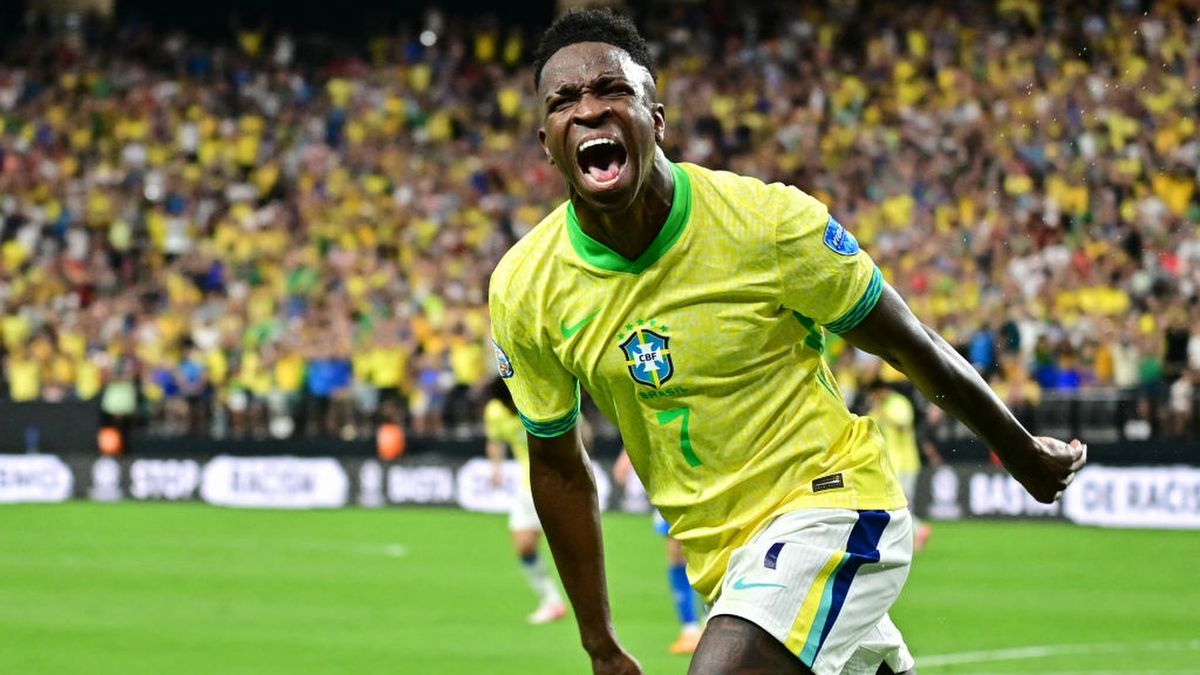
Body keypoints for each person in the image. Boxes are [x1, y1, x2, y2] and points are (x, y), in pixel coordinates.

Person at [487, 9, 1086, 675]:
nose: (589, 110)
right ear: (546, 142)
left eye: (612, 90)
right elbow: (558, 466)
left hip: (833, 502)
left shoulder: (765, 223)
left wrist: (1019, 449)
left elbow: (906, 341)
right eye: (564, 101)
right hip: (728, 566)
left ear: (656, 119)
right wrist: (599, 644)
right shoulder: (526, 287)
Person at [483, 378, 567, 625]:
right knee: (524, 546)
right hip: (528, 485)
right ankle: (551, 601)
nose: (507, 410)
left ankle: (587, 606)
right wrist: (496, 469)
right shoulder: (495, 411)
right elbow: (495, 440)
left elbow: (579, 430)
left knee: (568, 548)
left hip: (558, 483)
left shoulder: (539, 399)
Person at [613, 449, 703, 655]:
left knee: (707, 551)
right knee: (677, 553)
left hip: (702, 472)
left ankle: (710, 621)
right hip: (672, 477)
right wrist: (626, 454)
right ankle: (690, 628)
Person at [865, 381, 932, 552]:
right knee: (894, 503)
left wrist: (883, 413)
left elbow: (903, 426)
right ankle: (914, 532)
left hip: (906, 463)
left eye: (875, 394)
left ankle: (918, 530)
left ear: (881, 390)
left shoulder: (899, 403)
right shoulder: (881, 407)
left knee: (902, 502)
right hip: (891, 463)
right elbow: (869, 427)